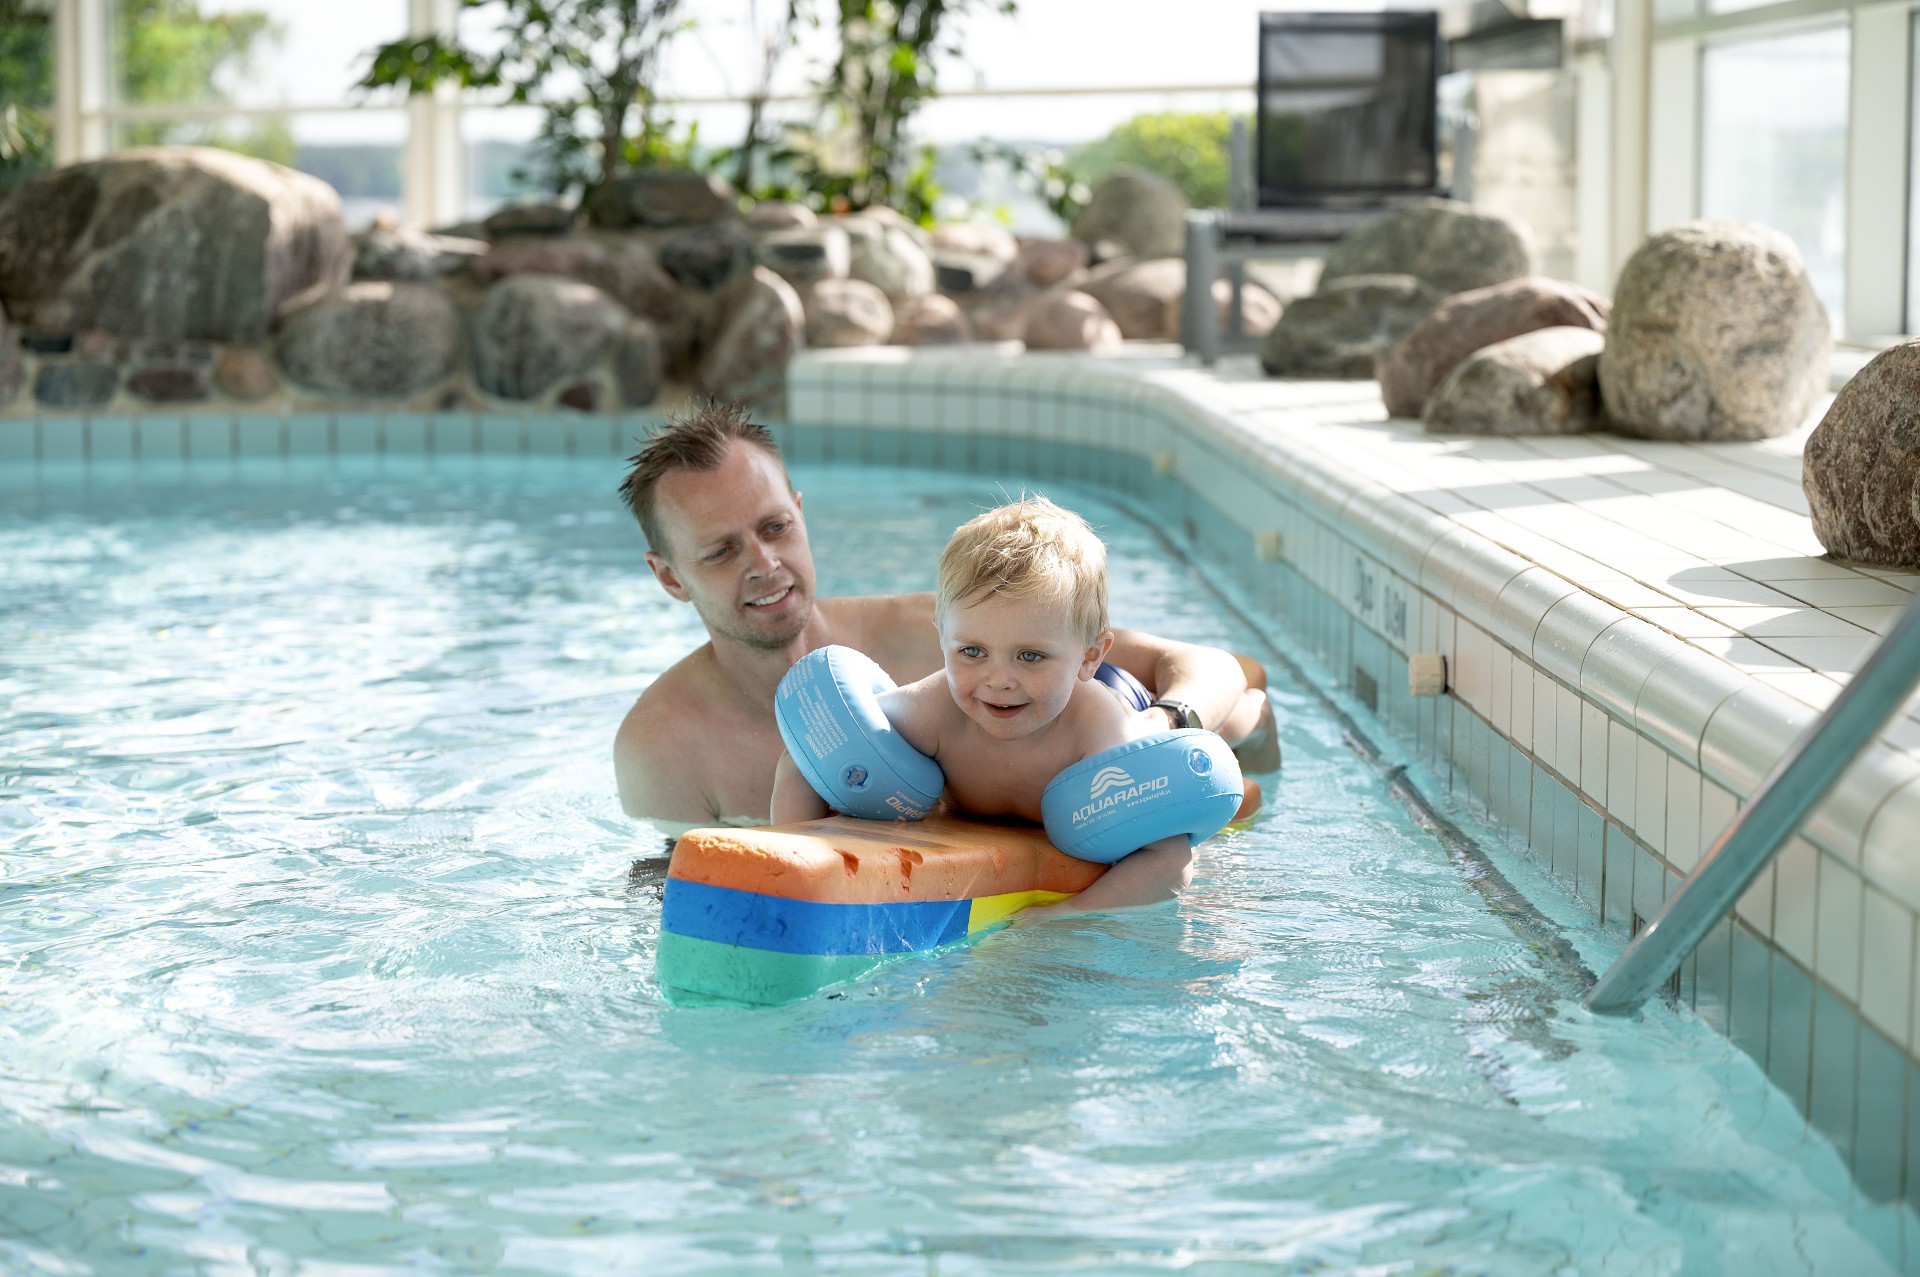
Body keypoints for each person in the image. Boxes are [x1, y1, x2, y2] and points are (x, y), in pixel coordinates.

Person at [613, 401, 1276, 837]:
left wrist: (1162, 730)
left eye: (775, 527)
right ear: (670, 575)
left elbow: (1207, 664)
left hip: (1148, 763)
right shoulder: (664, 747)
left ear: (801, 513)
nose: (765, 563)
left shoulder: (929, 632)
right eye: (722, 550)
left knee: (1246, 705)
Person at [772, 495, 1214, 911]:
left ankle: (1250, 712)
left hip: (1126, 696)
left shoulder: (1097, 732)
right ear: (942, 638)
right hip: (1056, 692)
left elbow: (1169, 858)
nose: (999, 681)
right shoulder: (937, 708)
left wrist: (1069, 917)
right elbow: (805, 759)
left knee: (1219, 735)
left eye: (1030, 655)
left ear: (1090, 655)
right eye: (972, 652)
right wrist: (793, 864)